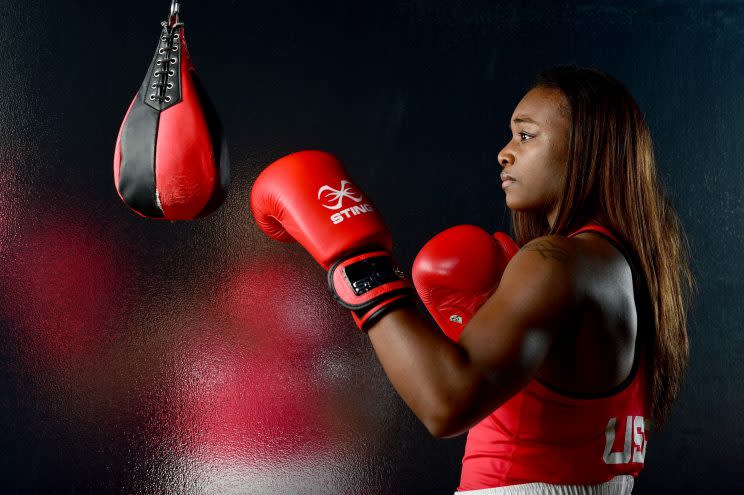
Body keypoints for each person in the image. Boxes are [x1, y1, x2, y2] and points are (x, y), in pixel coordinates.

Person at [250, 65, 696, 494]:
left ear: (587, 148)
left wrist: (359, 261)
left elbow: (444, 404)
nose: (505, 152)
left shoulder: (554, 261)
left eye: (526, 135)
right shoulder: (626, 267)